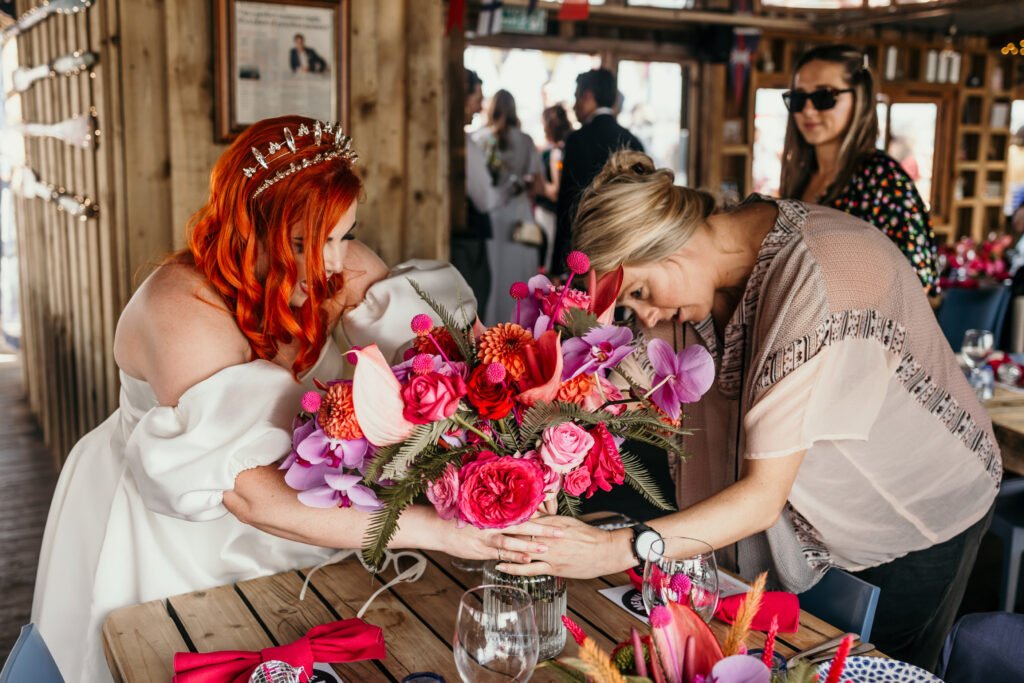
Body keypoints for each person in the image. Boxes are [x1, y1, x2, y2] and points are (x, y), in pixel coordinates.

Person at [31, 115, 556, 681]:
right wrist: (439, 530)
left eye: (344, 234)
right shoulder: (181, 309)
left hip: (313, 525)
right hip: (175, 536)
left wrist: (517, 457)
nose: (333, 262)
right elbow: (253, 497)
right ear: (244, 228)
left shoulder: (339, 266)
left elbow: (452, 367)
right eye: (305, 242)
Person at [497, 151, 1001, 673]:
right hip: (815, 520)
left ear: (671, 239)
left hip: (917, 510)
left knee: (878, 672)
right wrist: (537, 465)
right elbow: (604, 393)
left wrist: (616, 549)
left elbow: (761, 498)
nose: (644, 317)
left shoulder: (818, 278)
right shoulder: (697, 283)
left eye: (640, 293)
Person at [779, 44, 939, 294]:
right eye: (798, 99)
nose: (808, 110)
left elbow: (917, 281)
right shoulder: (801, 174)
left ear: (859, 99)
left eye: (824, 96)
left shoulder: (883, 178)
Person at [552, 68, 643, 277]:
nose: (574, 105)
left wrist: (558, 266)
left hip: (582, 250)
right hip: (621, 250)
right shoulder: (632, 141)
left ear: (588, 96)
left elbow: (567, 202)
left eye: (576, 97)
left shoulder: (577, 140)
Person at [472, 89, 544, 324]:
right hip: (519, 218)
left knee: (493, 278)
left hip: (491, 217)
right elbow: (538, 185)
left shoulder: (479, 139)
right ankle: (520, 327)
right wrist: (521, 185)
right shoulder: (525, 140)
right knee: (518, 277)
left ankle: (489, 327)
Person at [451, 69, 514, 317]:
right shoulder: (464, 144)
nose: (479, 108)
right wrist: (509, 189)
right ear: (462, 98)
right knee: (470, 313)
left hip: (459, 239)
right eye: (476, 99)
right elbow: (486, 200)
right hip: (467, 243)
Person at [534, 104, 572, 271]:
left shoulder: (556, 154)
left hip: (549, 214)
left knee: (549, 257)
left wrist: (539, 185)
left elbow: (556, 191)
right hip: (552, 213)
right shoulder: (564, 149)